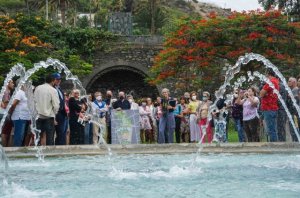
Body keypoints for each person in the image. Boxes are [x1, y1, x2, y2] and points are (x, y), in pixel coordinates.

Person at [34, 74, 60, 145]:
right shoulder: (53, 90)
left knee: (37, 138)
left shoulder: (38, 88)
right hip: (49, 116)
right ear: (52, 81)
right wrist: (54, 114)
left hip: (38, 116)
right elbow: (56, 105)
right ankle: (49, 154)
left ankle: (37, 153)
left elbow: (34, 101)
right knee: (50, 139)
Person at [259, 69, 279, 142]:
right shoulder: (276, 81)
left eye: (266, 75)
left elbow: (261, 94)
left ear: (268, 74)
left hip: (268, 108)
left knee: (271, 130)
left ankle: (274, 147)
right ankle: (274, 145)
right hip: (272, 108)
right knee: (272, 129)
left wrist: (263, 93)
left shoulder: (270, 82)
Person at [52, 73, 68, 145]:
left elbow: (62, 100)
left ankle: (61, 146)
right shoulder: (51, 88)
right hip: (55, 112)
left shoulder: (60, 88)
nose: (59, 81)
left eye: (60, 79)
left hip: (62, 113)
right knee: (56, 132)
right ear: (53, 80)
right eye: (57, 79)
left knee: (62, 132)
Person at [0, 80, 14, 147]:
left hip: (3, 113)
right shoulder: (6, 92)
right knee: (4, 133)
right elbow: (5, 105)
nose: (13, 84)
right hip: (4, 114)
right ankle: (4, 149)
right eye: (12, 82)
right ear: (8, 83)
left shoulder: (5, 91)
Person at [286, 77, 299, 142]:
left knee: (295, 129)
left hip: (294, 113)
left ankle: (296, 142)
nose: (288, 82)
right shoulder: (292, 90)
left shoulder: (295, 90)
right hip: (292, 113)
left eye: (289, 81)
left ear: (294, 82)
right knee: (293, 129)